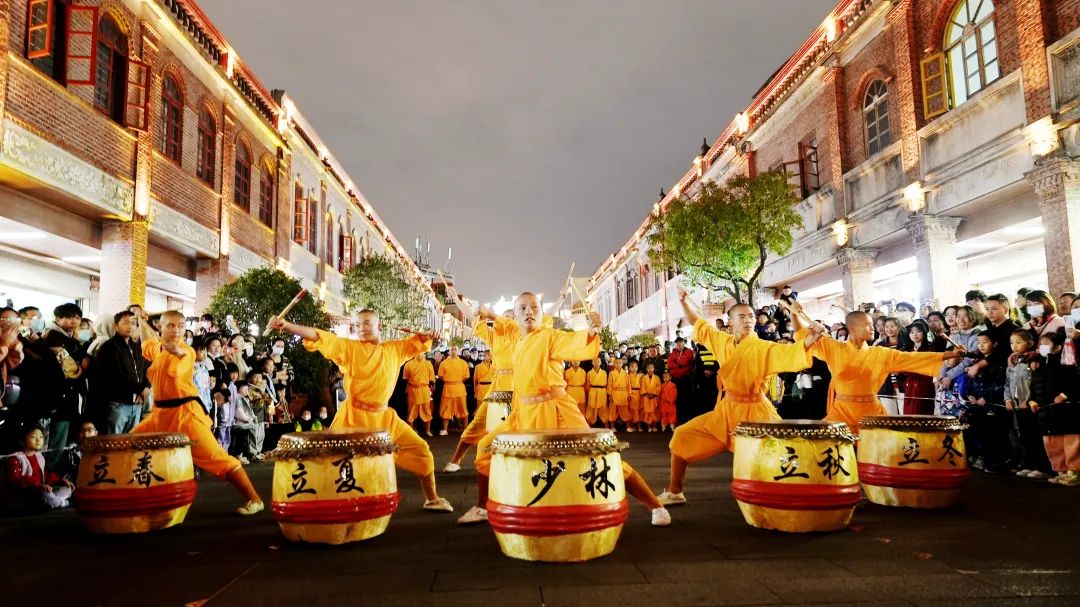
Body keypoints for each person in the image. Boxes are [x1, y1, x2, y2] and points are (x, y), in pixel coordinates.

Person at [458, 293, 671, 527]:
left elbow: (574, 343)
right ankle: (483, 507)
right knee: (486, 447)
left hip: (556, 409)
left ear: (543, 314)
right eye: (522, 308)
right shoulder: (517, 336)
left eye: (534, 307)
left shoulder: (549, 336)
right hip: (524, 412)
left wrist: (592, 332)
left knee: (599, 458)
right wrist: (490, 314)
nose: (529, 312)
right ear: (515, 315)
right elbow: (506, 324)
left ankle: (656, 506)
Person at [268, 310, 453, 512]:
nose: (361, 328)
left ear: (379, 325)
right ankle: (320, 506)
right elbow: (318, 335)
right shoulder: (350, 348)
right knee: (334, 464)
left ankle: (432, 498)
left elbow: (418, 341)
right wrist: (287, 326)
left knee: (421, 451)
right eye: (357, 325)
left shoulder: (395, 349)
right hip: (353, 418)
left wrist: (428, 335)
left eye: (366, 323)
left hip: (384, 418)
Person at [657, 290, 824, 506]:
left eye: (751, 316)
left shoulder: (763, 347)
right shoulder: (722, 341)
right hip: (727, 411)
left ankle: (804, 495)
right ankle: (675, 492)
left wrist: (810, 339)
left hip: (756, 411)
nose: (748, 320)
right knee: (682, 436)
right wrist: (684, 302)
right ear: (731, 322)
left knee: (781, 454)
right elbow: (699, 324)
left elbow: (790, 354)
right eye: (742, 317)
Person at [129, 310, 263, 514]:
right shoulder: (159, 349)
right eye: (171, 325)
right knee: (128, 445)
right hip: (159, 415)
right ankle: (127, 498)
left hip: (185, 414)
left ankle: (254, 499)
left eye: (181, 326)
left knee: (217, 457)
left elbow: (176, 350)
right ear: (160, 327)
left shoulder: (187, 351)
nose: (176, 330)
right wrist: (141, 321)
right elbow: (148, 343)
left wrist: (164, 339)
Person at [790, 306, 962, 433]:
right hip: (842, 410)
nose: (872, 328)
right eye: (867, 324)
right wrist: (794, 313)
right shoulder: (833, 348)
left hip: (871, 410)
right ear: (852, 328)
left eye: (872, 324)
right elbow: (803, 336)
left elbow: (912, 358)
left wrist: (950, 354)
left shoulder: (880, 353)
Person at [445, 309, 519, 473]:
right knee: (477, 423)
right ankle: (456, 460)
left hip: (518, 387)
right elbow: (474, 317)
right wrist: (457, 300)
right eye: (506, 317)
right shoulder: (493, 336)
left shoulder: (520, 334)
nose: (507, 321)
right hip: (498, 387)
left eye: (512, 318)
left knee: (520, 429)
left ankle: (515, 466)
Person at [1029, 331, 1080, 486]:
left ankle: (1074, 472)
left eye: (1046, 344)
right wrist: (1032, 401)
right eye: (1041, 344)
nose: (1042, 347)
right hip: (1046, 412)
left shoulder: (1068, 363)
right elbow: (1034, 386)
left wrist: (1064, 395)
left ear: (1058, 347)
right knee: (1052, 443)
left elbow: (1076, 383)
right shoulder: (1038, 364)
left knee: (1070, 442)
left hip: (1066, 411)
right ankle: (1061, 470)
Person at [93, 311, 150, 435]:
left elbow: (146, 369)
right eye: (125, 323)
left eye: (133, 323)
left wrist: (146, 386)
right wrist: (140, 389)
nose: (130, 326)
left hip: (136, 403)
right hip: (118, 403)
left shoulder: (137, 346)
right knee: (114, 441)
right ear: (115, 326)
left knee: (131, 441)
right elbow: (115, 375)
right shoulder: (108, 347)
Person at [1005, 330, 1051, 479]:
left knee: (1036, 435)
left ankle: (1042, 466)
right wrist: (1008, 399)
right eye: (1012, 342)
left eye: (1018, 342)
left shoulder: (1034, 360)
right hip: (1018, 405)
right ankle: (1029, 464)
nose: (1014, 345)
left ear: (1030, 343)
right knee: (1025, 436)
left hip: (1032, 404)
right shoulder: (1012, 361)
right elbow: (1007, 383)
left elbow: (1035, 382)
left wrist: (1029, 399)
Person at [962, 331, 1009, 474]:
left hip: (993, 404)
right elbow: (970, 382)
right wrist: (969, 395)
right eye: (978, 342)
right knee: (979, 432)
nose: (981, 345)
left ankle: (995, 462)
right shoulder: (976, 362)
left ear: (994, 344)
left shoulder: (999, 362)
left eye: (985, 342)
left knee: (993, 434)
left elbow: (1001, 383)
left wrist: (987, 397)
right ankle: (981, 457)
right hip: (977, 405)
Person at [4, 425, 73, 513]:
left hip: (42, 490)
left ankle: (54, 502)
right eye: (33, 437)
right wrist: (37, 485)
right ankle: (61, 502)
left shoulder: (39, 456)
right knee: (43, 494)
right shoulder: (16, 458)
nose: (38, 440)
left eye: (41, 437)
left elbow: (44, 476)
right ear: (22, 441)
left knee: (66, 489)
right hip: (26, 495)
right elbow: (15, 480)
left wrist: (60, 481)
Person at [902, 320, 937, 415]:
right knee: (908, 413)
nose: (915, 334)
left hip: (924, 383)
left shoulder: (930, 348)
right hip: (910, 384)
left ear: (924, 332)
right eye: (912, 332)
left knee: (921, 412)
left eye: (918, 331)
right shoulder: (907, 349)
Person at [437, 345, 470, 435]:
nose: (454, 351)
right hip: (448, 388)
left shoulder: (463, 363)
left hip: (459, 388)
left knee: (463, 409)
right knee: (446, 409)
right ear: (449, 351)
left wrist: (457, 381)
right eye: (452, 349)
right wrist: (450, 381)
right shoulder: (444, 363)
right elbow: (441, 376)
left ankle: (466, 429)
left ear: (458, 351)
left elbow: (466, 376)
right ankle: (445, 430)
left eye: (455, 349)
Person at [403, 354, 435, 437]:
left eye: (422, 352)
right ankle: (411, 430)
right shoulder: (408, 364)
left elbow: (432, 379)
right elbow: (405, 378)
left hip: (424, 389)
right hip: (412, 389)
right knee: (411, 410)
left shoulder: (428, 363)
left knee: (427, 409)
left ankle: (428, 430)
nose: (420, 353)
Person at [606, 356, 630, 430]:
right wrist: (610, 395)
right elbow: (609, 384)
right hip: (614, 393)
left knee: (625, 410)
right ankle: (612, 427)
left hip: (623, 393)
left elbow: (628, 384)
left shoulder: (625, 373)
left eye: (620, 363)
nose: (618, 364)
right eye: (616, 363)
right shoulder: (611, 373)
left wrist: (628, 394)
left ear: (622, 364)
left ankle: (628, 427)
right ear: (614, 364)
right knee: (613, 410)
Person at [585, 357, 608, 425]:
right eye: (595, 361)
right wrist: (589, 393)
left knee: (603, 407)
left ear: (601, 363)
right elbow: (587, 384)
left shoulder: (604, 372)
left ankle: (606, 424)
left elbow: (606, 384)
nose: (596, 363)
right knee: (591, 407)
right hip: (593, 390)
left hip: (602, 391)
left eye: (598, 361)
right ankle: (589, 423)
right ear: (592, 363)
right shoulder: (589, 373)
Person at [641, 362, 661, 432]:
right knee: (647, 412)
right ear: (646, 369)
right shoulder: (644, 377)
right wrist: (646, 394)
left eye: (652, 368)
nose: (650, 369)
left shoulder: (657, 377)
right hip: (646, 397)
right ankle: (649, 427)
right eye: (648, 368)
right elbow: (642, 386)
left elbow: (658, 387)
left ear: (654, 369)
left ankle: (654, 426)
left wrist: (653, 394)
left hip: (654, 397)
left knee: (655, 412)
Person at [626, 359, 642, 432]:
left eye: (635, 366)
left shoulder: (640, 376)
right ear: (629, 368)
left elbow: (643, 385)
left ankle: (639, 426)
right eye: (632, 366)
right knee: (631, 410)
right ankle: (632, 425)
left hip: (639, 393)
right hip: (631, 393)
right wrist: (629, 394)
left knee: (639, 410)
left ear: (637, 368)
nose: (634, 368)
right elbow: (627, 386)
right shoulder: (627, 376)